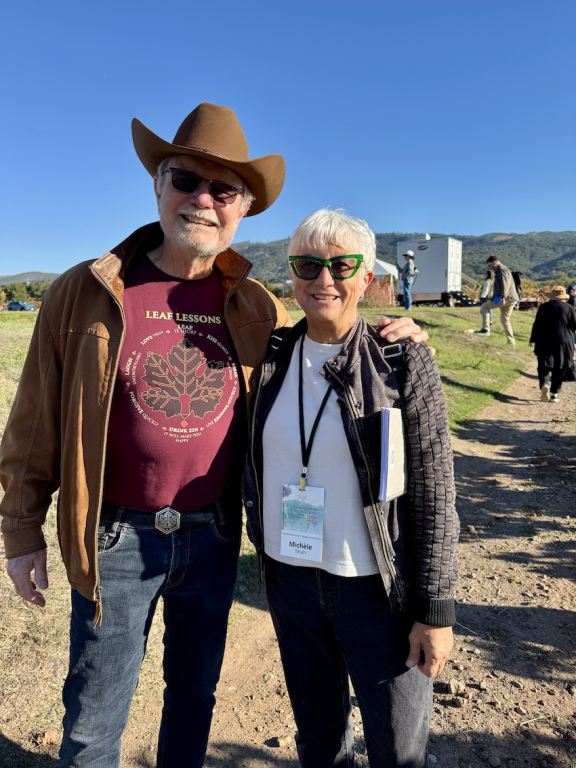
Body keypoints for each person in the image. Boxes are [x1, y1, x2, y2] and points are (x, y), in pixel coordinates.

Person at [0, 104, 427, 767]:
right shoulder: (84, 292)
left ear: (242, 209)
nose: (202, 199)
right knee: (93, 714)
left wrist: (394, 340)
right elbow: (33, 422)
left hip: (215, 536)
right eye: (185, 180)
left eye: (223, 189)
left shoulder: (257, 305)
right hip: (115, 536)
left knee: (193, 698)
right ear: (157, 185)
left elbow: (325, 340)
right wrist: (21, 529)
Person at [243, 210, 459, 767]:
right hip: (291, 581)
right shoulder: (268, 358)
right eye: (307, 265)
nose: (324, 279)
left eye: (342, 266)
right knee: (318, 742)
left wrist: (435, 610)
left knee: (397, 751)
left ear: (367, 276)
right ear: (291, 273)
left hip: (377, 592)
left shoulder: (401, 358)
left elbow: (436, 493)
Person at [529, 286, 576, 403]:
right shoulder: (569, 308)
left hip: (544, 340)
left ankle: (544, 384)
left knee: (543, 364)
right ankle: (554, 393)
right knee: (559, 366)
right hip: (563, 340)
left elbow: (537, 324)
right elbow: (574, 325)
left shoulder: (543, 307)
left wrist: (532, 339)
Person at [474, 255, 518, 345]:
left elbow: (505, 285)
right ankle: (511, 342)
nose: (489, 268)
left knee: (484, 307)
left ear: (495, 262)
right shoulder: (501, 270)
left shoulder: (502, 270)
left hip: (505, 298)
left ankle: (486, 329)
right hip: (511, 298)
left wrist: (503, 297)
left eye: (490, 265)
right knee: (505, 320)